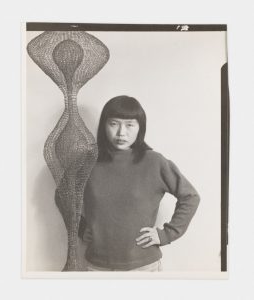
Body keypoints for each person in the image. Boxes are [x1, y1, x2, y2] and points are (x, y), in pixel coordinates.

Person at [78, 95, 200, 271]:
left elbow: (191, 196)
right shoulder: (88, 162)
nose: (121, 132)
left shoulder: (155, 162)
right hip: (96, 266)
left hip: (143, 266)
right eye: (114, 123)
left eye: (129, 125)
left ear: (140, 128)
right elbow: (63, 195)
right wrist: (81, 228)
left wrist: (167, 234)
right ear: (104, 125)